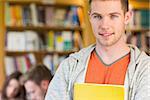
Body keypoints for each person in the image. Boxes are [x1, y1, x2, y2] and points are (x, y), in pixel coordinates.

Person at [45, 0, 150, 100]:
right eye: (97, 16)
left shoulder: (145, 69)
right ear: (90, 17)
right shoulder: (69, 67)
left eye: (113, 16)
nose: (104, 25)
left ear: (127, 17)